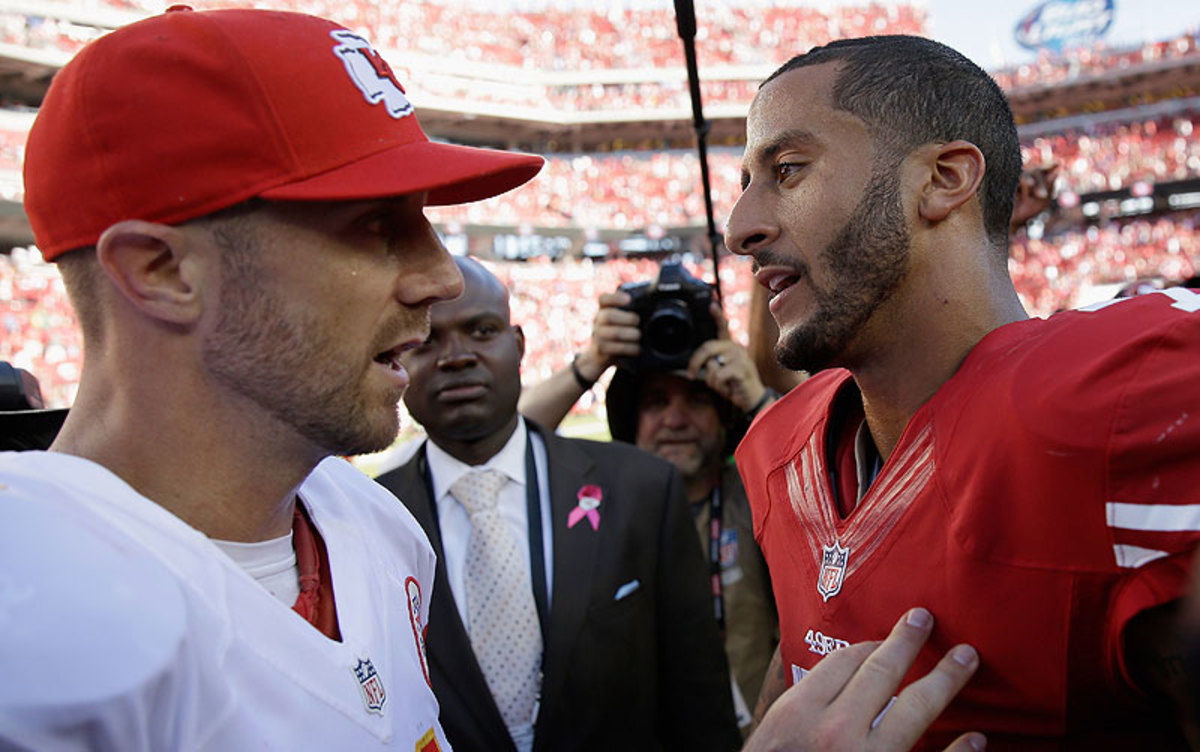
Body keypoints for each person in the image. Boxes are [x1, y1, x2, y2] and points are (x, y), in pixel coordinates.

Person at [0, 7, 546, 748]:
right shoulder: (33, 627)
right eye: (375, 225)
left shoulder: (374, 525)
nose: (441, 277)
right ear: (160, 272)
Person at [725, 34, 1200, 749]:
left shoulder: (1112, 403)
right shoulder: (777, 448)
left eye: (788, 170)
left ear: (944, 178)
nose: (740, 229)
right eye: (744, 185)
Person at [375, 256, 742, 751]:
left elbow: (699, 701)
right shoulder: (369, 517)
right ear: (397, 362)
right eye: (426, 341)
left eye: (482, 330)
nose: (456, 355)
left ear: (519, 344)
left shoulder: (641, 489)